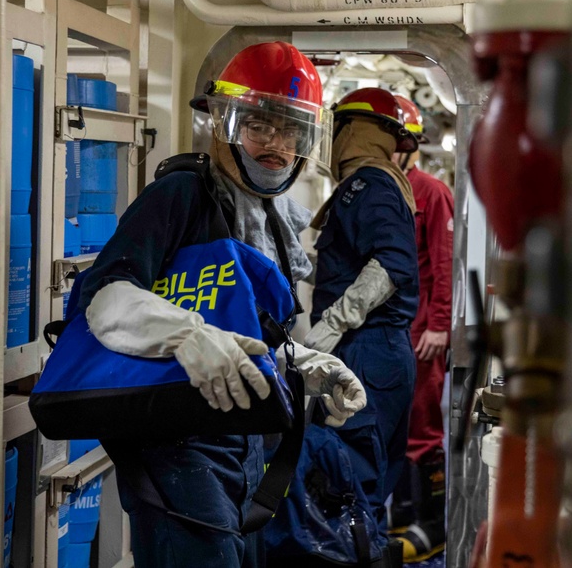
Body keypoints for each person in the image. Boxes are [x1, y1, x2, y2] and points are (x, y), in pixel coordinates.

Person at [76, 42, 367, 567]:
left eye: (292, 130)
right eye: (259, 126)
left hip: (247, 441)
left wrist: (305, 366)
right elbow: (104, 295)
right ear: (222, 124)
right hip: (177, 442)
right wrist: (185, 335)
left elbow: (244, 334)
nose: (276, 144)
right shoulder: (181, 196)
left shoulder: (273, 220)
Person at [305, 87, 421, 549]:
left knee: (348, 489)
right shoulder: (378, 183)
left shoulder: (367, 184)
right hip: (380, 351)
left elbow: (394, 262)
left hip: (365, 350)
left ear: (353, 131)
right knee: (364, 490)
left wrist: (334, 322)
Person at [388, 95, 454, 563]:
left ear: (408, 147)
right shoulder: (376, 191)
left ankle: (431, 524)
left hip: (422, 331)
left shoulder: (429, 191)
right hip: (390, 330)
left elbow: (445, 262)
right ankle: (399, 516)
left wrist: (440, 325)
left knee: (424, 428)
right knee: (395, 424)